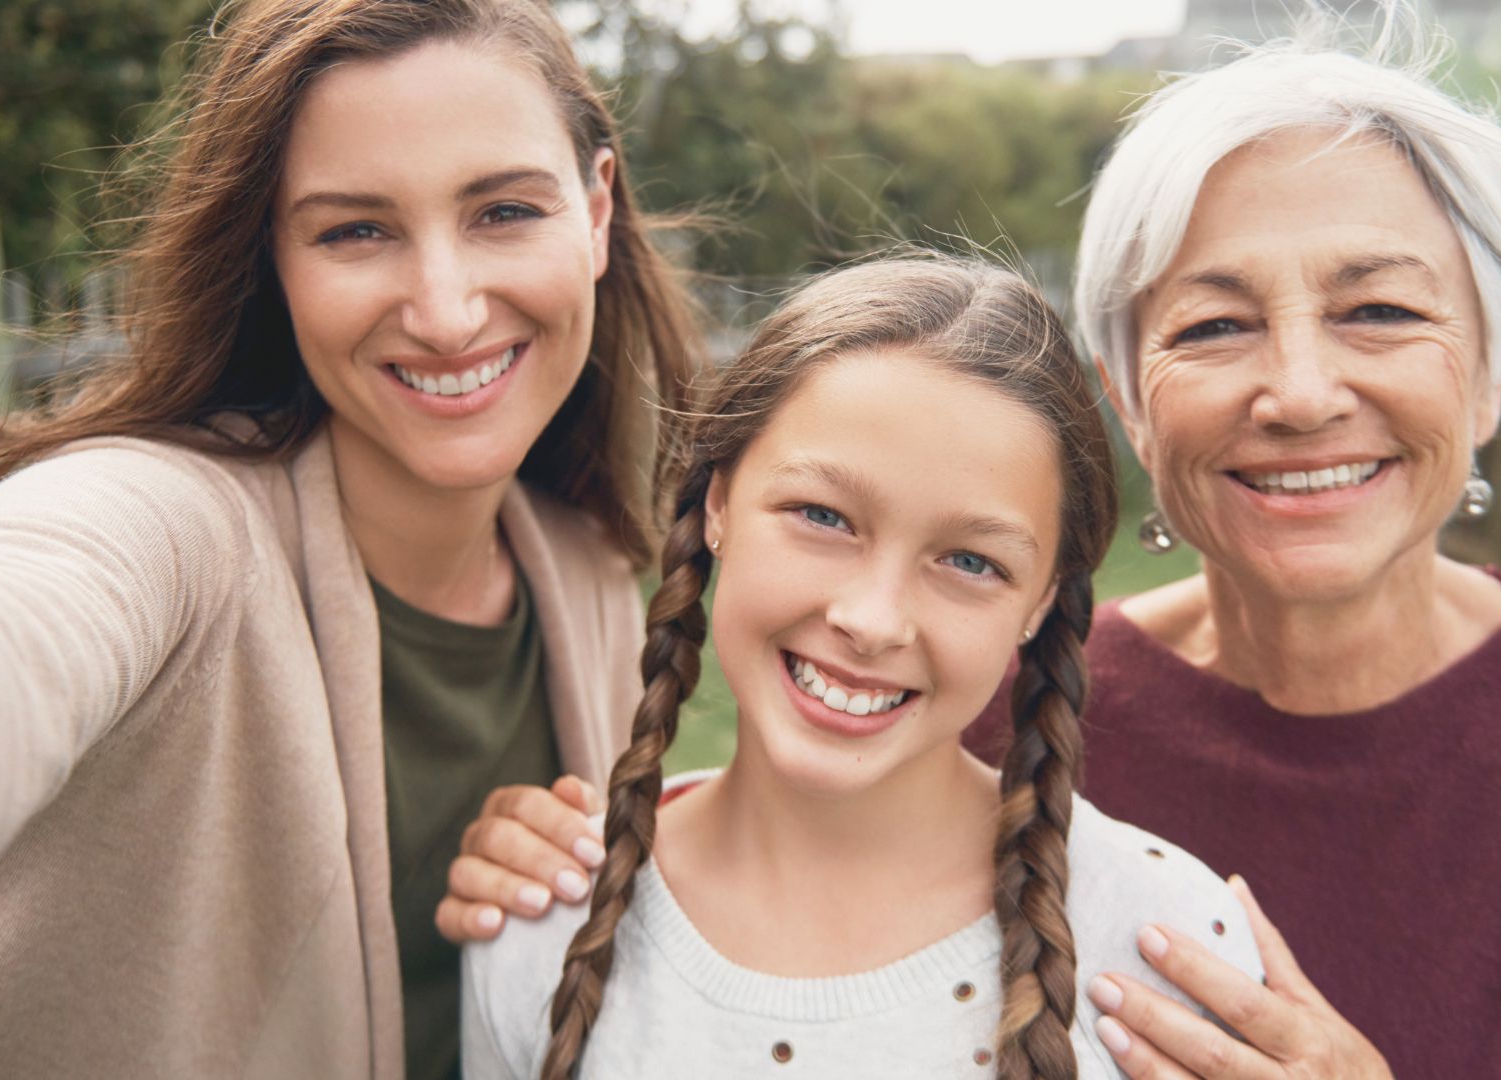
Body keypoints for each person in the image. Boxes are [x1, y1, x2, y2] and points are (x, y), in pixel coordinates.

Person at [444, 12, 1501, 1080]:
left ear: (1494, 370)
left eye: (1380, 310)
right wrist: (568, 852)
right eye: (1212, 327)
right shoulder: (992, 704)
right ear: (1127, 398)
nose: (1302, 391)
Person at [0, 0, 699, 1076]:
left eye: (501, 211)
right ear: (274, 257)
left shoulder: (589, 570)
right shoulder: (163, 525)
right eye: (356, 230)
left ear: (595, 211)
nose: (446, 311)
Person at [461, 256, 1265, 1079]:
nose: (872, 620)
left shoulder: (1158, 944)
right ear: (717, 506)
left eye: (970, 561)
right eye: (822, 516)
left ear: (1039, 603)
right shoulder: (542, 920)